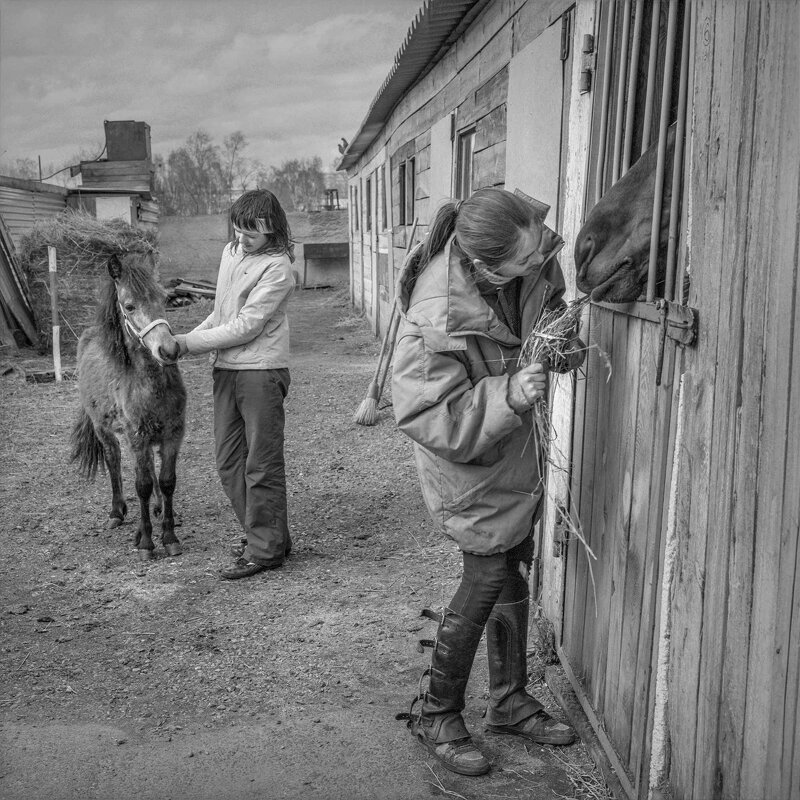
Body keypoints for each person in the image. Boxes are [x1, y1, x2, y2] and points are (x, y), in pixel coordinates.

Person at [392, 187, 584, 776]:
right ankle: (438, 712)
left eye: (536, 252)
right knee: (487, 572)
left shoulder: (528, 257)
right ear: (483, 266)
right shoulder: (436, 313)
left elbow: (544, 307)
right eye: (525, 261)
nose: (538, 263)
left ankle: (507, 700)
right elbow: (428, 415)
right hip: (468, 465)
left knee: (513, 560)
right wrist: (509, 393)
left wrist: (558, 345)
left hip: (513, 454)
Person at [175, 189, 295, 580]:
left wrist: (188, 344)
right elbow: (221, 313)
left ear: (272, 230)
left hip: (260, 371)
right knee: (229, 463)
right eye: (238, 230)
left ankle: (265, 550)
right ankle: (268, 536)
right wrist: (182, 341)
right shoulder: (232, 253)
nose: (242, 240)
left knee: (260, 464)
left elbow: (246, 326)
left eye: (252, 235)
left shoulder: (278, 268)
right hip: (226, 368)